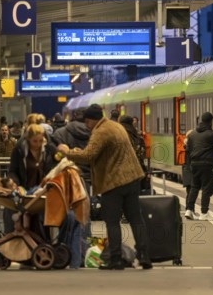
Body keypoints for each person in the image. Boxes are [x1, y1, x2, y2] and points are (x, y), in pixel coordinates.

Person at [57, 104, 153, 270]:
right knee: (135, 218)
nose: (86, 126)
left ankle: (115, 259)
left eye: (87, 122)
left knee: (112, 221)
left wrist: (67, 151)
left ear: (91, 120)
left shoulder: (100, 131)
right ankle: (144, 256)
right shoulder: (116, 126)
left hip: (114, 182)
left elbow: (88, 156)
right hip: (132, 179)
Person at [52, 110, 92, 269]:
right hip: (86, 179)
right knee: (83, 218)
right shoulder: (93, 134)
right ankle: (82, 254)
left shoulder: (60, 134)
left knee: (66, 217)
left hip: (65, 179)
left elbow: (55, 157)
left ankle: (64, 252)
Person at [6, 124, 59, 233]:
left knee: (41, 217)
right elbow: (13, 170)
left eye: (41, 140)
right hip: (24, 190)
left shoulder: (49, 149)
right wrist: (15, 183)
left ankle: (42, 241)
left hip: (43, 190)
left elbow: (58, 164)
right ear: (28, 139)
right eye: (35, 141)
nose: (38, 144)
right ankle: (12, 239)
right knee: (11, 210)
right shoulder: (19, 150)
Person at [119, 115, 149, 191]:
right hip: (136, 174)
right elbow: (142, 157)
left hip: (120, 175)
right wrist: (146, 171)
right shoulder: (139, 137)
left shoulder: (117, 136)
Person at [182, 129, 194, 202]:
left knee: (189, 191)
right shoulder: (190, 147)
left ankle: (189, 209)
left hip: (187, 171)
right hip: (190, 171)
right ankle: (190, 209)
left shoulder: (186, 146)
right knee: (191, 192)